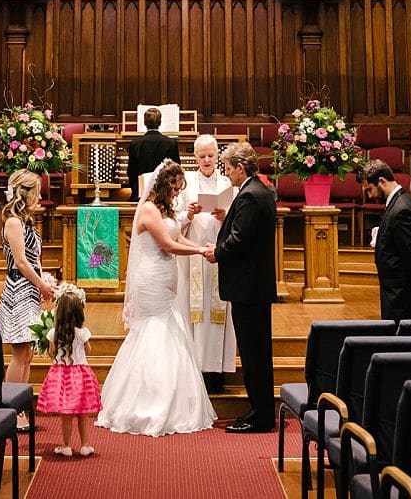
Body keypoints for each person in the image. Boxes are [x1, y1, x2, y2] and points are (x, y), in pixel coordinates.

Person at [97, 160, 217, 436]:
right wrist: (200, 253)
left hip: (165, 275)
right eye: (174, 189)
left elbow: (178, 237)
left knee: (169, 328)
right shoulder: (149, 210)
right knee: (155, 330)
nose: (177, 194)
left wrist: (202, 247)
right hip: (150, 277)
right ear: (163, 187)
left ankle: (174, 399)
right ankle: (146, 403)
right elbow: (166, 243)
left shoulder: (165, 209)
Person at [205, 141, 277, 433]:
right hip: (254, 286)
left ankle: (261, 416)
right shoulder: (260, 191)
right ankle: (258, 410)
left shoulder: (249, 195)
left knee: (254, 354)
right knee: (254, 353)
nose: (227, 173)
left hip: (249, 287)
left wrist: (216, 252)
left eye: (228, 167)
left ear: (240, 167)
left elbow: (239, 240)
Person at [176, 134, 237, 392]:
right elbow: (174, 219)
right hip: (194, 255)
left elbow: (237, 219)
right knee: (194, 310)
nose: (207, 160)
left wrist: (225, 215)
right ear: (195, 157)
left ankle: (217, 373)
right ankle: (195, 371)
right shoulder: (186, 183)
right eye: (201, 156)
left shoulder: (228, 184)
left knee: (219, 310)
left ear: (217, 155)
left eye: (211, 155)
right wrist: (188, 214)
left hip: (221, 252)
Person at [0, 169, 57, 429]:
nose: (40, 195)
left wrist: (45, 282)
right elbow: (21, 262)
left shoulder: (27, 222)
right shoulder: (12, 221)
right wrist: (41, 283)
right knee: (20, 352)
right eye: (37, 190)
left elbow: (34, 260)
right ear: (26, 192)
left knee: (28, 352)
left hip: (30, 288)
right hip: (18, 289)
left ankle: (22, 406)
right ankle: (10, 410)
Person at [360, 158, 411, 321]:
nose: (370, 196)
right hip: (398, 294)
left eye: (370, 189)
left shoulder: (402, 210)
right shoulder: (399, 203)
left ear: (381, 181)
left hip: (404, 299)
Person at [37, 281, 102, 458]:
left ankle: (66, 445)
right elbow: (88, 350)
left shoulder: (53, 333)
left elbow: (51, 352)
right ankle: (85, 445)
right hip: (81, 375)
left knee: (66, 414)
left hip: (62, 375)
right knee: (83, 413)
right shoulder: (83, 333)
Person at [126, 107, 181, 199]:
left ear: (144, 123)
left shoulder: (135, 144)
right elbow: (176, 172)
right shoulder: (171, 143)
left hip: (140, 195)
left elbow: (131, 172)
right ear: (160, 123)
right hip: (163, 196)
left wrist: (136, 190)